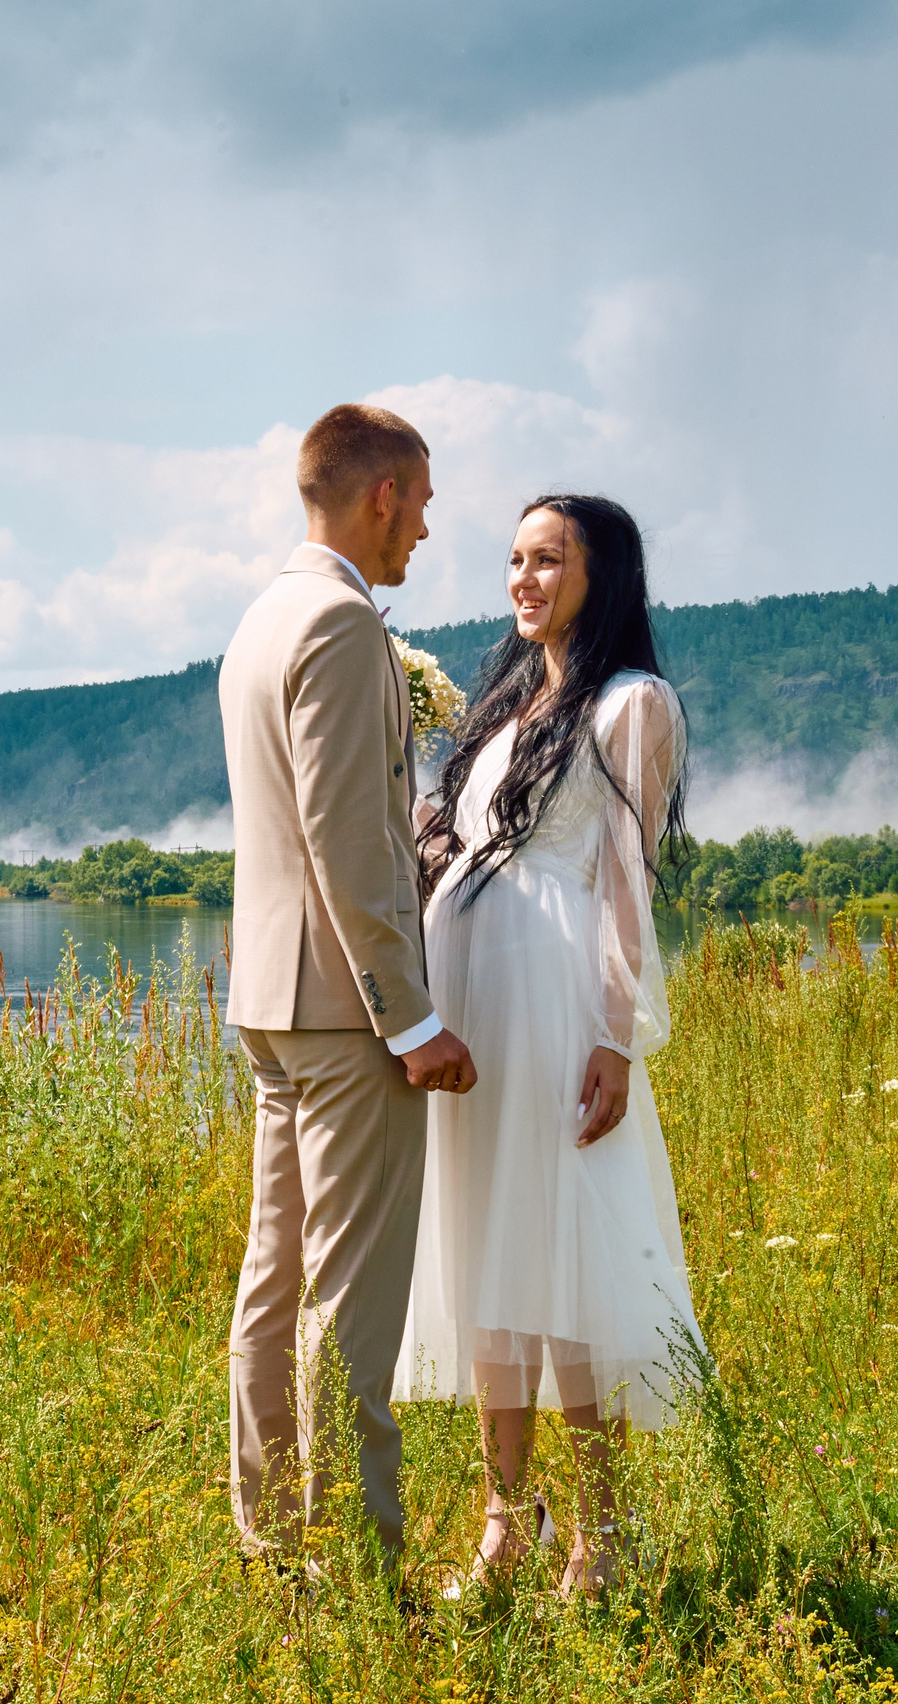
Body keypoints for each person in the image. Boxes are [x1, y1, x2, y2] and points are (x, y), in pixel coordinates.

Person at [394, 492, 705, 1598]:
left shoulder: (631, 703)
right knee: (487, 1245)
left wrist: (615, 1039)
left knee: (562, 1248)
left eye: (548, 559)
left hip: (554, 990)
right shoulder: (510, 703)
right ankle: (502, 1519)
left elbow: (626, 881)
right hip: (473, 993)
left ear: (599, 572)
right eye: (514, 559)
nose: (523, 579)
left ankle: (601, 1531)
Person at [221, 402, 478, 1571]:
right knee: (352, 1304)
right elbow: (343, 841)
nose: (424, 527)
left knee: (273, 1288)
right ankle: (364, 1576)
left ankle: (274, 1547)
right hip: (343, 1014)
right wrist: (410, 1015)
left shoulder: (261, 619)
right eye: (420, 501)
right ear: (381, 492)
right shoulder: (337, 623)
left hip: (274, 1004)